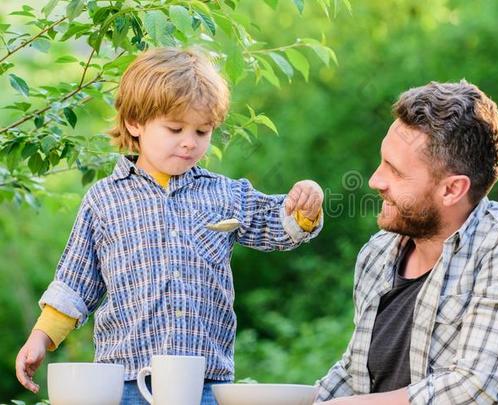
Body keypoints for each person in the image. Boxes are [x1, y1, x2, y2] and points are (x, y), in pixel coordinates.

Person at [15, 47, 324, 405]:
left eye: (202, 131)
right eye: (175, 128)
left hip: (205, 382)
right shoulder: (104, 200)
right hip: (125, 381)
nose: (190, 141)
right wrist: (40, 339)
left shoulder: (223, 194)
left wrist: (306, 204)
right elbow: (74, 284)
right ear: (135, 123)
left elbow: (277, 224)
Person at [315, 80, 498, 404]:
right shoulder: (377, 254)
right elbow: (353, 378)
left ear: (452, 190)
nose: (376, 180)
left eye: (395, 170)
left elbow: (475, 390)